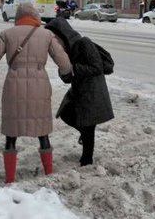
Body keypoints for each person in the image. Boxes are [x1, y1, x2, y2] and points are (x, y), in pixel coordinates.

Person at [0, 3, 72, 183]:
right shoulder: (47, 35)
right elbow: (63, 60)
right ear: (36, 16)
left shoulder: (7, 34)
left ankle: (10, 179)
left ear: (18, 17)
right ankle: (49, 172)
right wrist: (67, 71)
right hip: (39, 85)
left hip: (14, 86)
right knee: (42, 132)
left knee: (11, 134)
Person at [45, 17, 114, 167]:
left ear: (63, 34)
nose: (54, 42)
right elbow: (68, 78)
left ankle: (86, 161)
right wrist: (64, 72)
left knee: (89, 127)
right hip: (80, 92)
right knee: (66, 113)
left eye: (55, 38)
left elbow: (97, 68)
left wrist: (74, 69)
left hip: (93, 92)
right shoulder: (67, 50)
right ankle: (85, 141)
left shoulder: (84, 43)